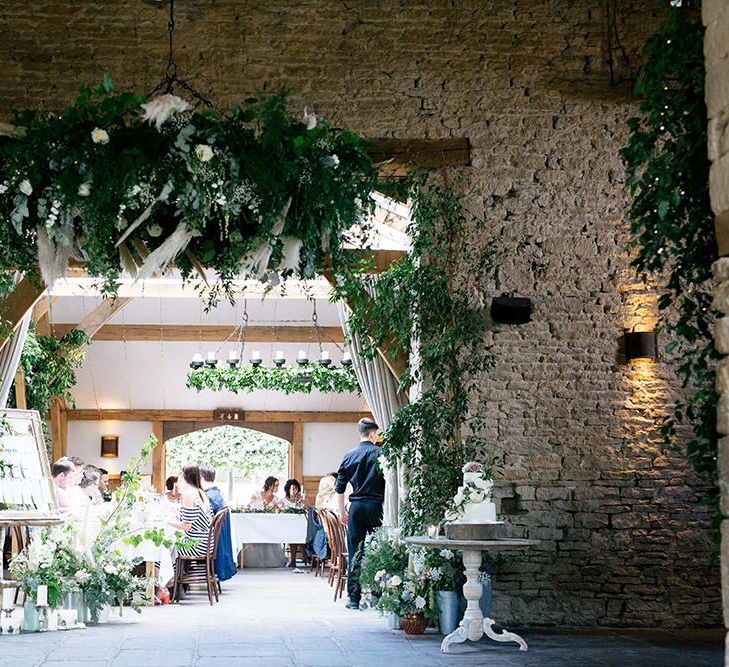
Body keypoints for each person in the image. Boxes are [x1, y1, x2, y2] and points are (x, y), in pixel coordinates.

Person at [336, 417, 385, 610]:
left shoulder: (349, 455)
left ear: (360, 434)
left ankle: (353, 598)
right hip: (376, 507)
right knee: (378, 551)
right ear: (373, 434)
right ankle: (376, 594)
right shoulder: (382, 454)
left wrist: (341, 511)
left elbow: (339, 488)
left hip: (355, 507)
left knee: (355, 552)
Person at [199, 463, 236, 582]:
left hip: (210, 543)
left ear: (200, 477)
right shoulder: (217, 493)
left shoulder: (207, 496)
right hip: (219, 544)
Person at [243, 477, 287, 568]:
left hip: (270, 526)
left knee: (270, 533)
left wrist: (278, 508)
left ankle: (269, 559)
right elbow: (249, 506)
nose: (278, 487)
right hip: (256, 524)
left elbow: (280, 510)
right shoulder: (257, 494)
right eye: (276, 485)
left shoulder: (276, 499)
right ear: (270, 486)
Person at [282, 478, 308, 568]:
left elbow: (307, 509)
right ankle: (294, 559)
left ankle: (307, 556)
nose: (294, 491)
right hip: (287, 526)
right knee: (293, 535)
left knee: (301, 533)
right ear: (288, 489)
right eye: (292, 489)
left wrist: (302, 501)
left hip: (301, 524)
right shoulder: (284, 500)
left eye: (296, 488)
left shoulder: (301, 498)